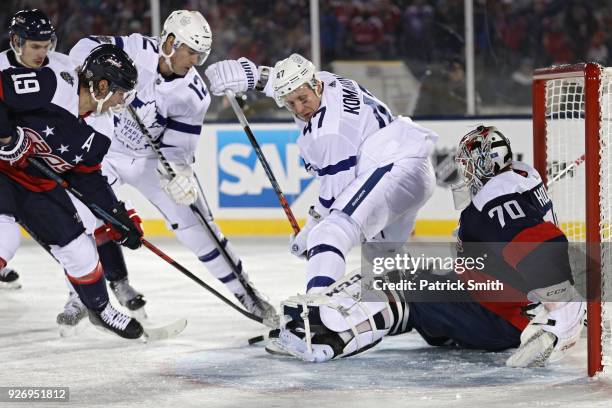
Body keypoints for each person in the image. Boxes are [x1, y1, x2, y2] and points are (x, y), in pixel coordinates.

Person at [250, 126, 585, 366]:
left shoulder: (495, 199)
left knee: (398, 284)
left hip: (497, 317)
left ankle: (325, 336)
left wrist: (564, 305)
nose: (465, 173)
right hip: (500, 303)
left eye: (468, 165)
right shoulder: (525, 177)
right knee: (410, 278)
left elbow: (537, 241)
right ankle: (341, 321)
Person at [68, 10, 276, 322]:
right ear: (169, 42)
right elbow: (82, 48)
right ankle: (79, 296)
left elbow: (177, 151)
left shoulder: (194, 96)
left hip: (151, 160)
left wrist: (178, 175)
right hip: (106, 150)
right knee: (80, 217)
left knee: (197, 223)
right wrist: (109, 72)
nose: (195, 60)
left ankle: (247, 293)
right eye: (190, 51)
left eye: (200, 54)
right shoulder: (136, 49)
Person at [206, 53, 437, 296]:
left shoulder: (329, 133)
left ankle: (318, 315)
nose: (299, 109)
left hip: (392, 169)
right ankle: (425, 302)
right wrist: (248, 76)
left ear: (314, 86)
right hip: (412, 165)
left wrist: (309, 233)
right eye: (290, 104)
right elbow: (283, 82)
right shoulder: (326, 81)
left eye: (303, 100)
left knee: (329, 233)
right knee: (381, 252)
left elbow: (335, 198)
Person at [0, 43, 144, 339]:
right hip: (1, 170)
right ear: (102, 85)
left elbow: (88, 177)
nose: (122, 100)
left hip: (36, 184)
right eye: (121, 92)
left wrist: (118, 218)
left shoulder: (102, 129)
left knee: (81, 252)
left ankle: (101, 311)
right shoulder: (53, 82)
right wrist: (6, 137)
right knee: (5, 238)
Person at [0, 9, 62, 289]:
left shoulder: (58, 70)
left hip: (27, 166)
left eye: (46, 46)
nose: (42, 53)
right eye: (35, 46)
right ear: (16, 41)